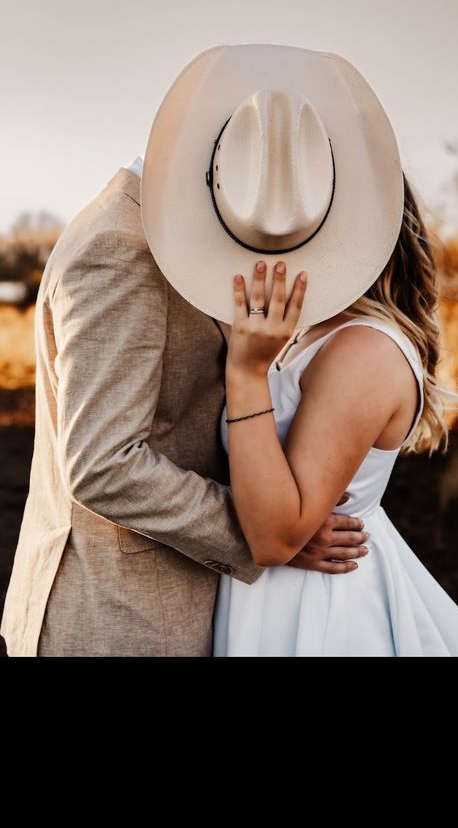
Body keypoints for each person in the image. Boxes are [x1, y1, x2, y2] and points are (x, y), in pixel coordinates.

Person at [140, 42, 458, 657]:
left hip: (317, 614)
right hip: (271, 598)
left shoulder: (365, 352)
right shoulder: (316, 331)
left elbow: (274, 537)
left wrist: (245, 374)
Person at [1, 125, 367, 658]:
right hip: (119, 621)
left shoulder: (159, 237)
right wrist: (268, 530)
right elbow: (104, 466)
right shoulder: (123, 248)